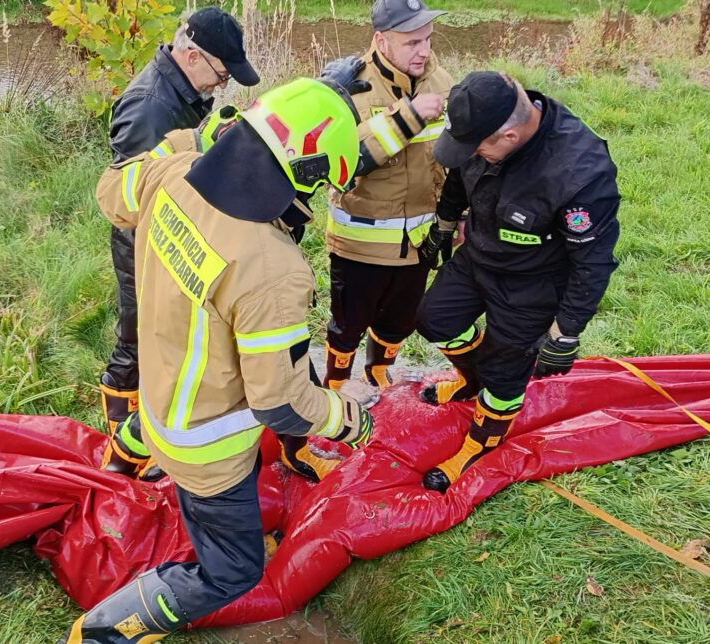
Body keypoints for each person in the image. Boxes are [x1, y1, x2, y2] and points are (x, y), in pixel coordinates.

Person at [60, 78, 376, 644]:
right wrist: (349, 419)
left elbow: (112, 192)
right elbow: (281, 405)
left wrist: (184, 139)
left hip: (156, 399)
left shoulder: (173, 173)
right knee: (234, 570)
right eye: (322, 182)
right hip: (205, 447)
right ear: (302, 175)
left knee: (165, 449)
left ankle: (121, 467)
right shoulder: (272, 268)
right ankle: (105, 630)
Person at [416, 71, 621, 493]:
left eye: (478, 149)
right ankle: (471, 379)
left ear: (509, 136)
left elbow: (592, 262)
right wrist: (444, 224)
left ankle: (482, 442)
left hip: (533, 282)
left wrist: (565, 334)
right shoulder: (481, 119)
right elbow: (458, 175)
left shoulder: (579, 172)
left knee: (505, 373)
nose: (472, 154)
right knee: (434, 318)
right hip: (479, 256)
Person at [100, 7, 259, 470]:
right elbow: (135, 194)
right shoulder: (150, 106)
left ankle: (144, 425)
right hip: (144, 242)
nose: (221, 85)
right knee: (137, 334)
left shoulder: (185, 88)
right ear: (192, 54)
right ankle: (119, 429)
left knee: (168, 335)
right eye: (221, 74)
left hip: (176, 234)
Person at [322, 0, 453, 394]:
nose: (424, 51)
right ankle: (337, 388)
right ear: (381, 40)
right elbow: (345, 163)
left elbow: (454, 159)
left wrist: (457, 216)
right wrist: (408, 116)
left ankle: (379, 375)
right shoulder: (349, 86)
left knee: (400, 321)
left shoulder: (441, 81)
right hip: (359, 244)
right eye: (412, 42)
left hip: (418, 242)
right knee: (347, 325)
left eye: (428, 40)